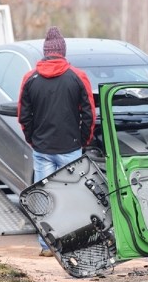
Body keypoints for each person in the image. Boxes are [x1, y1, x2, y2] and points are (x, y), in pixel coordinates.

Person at [18, 27, 96, 256]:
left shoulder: (29, 78)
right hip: (70, 148)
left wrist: (33, 140)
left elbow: (23, 116)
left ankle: (46, 246)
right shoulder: (77, 76)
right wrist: (82, 140)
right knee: (71, 197)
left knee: (44, 197)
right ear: (63, 51)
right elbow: (89, 114)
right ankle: (71, 243)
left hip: (42, 148)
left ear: (45, 52)